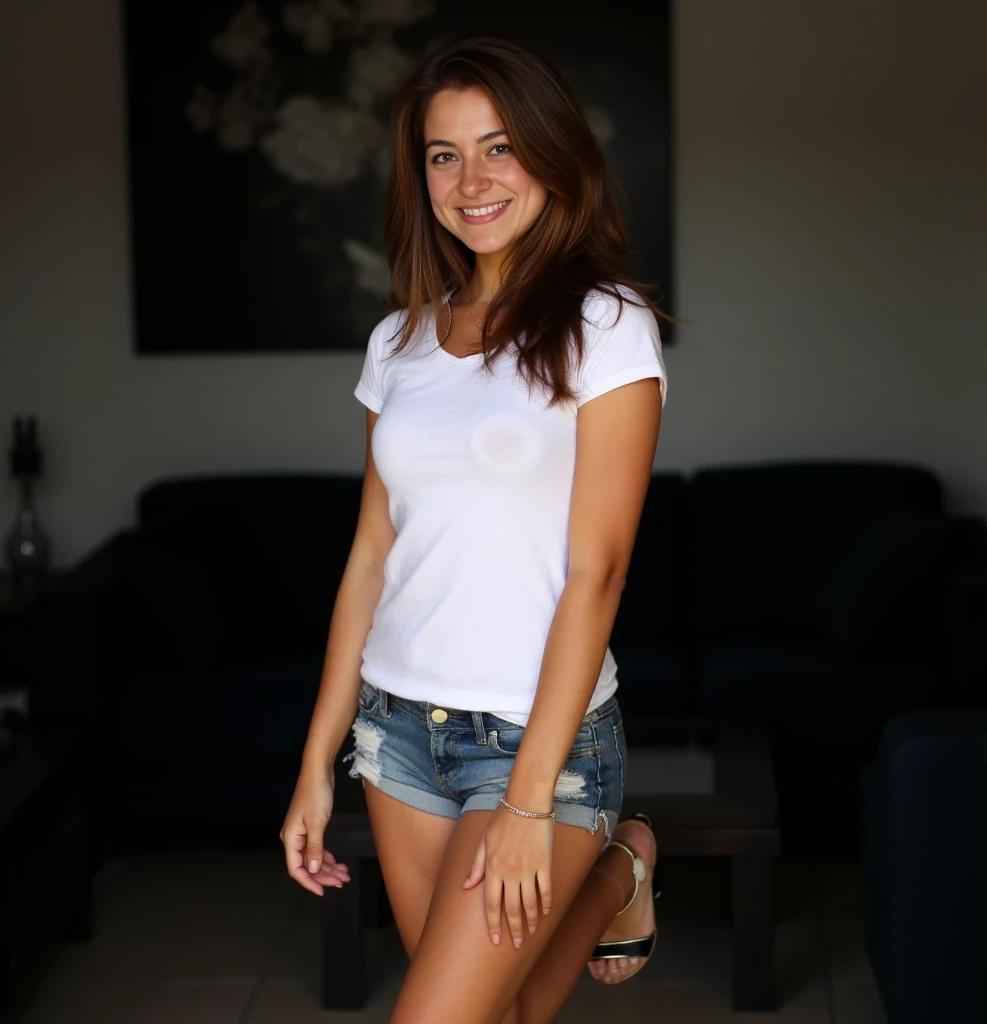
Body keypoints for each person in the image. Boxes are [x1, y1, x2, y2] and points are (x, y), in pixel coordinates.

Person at [280, 33, 671, 1024]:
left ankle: (608, 851)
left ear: (550, 153)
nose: (471, 179)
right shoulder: (399, 341)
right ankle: (621, 870)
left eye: (499, 146)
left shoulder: (606, 322)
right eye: (443, 154)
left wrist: (529, 802)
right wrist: (315, 764)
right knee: (507, 1016)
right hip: (396, 731)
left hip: (537, 738)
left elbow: (599, 568)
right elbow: (371, 558)